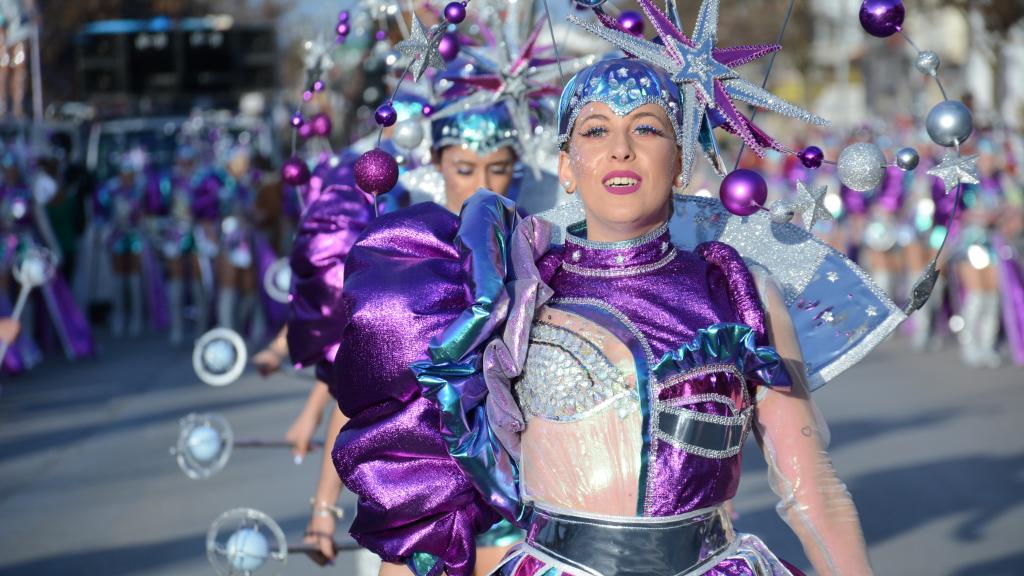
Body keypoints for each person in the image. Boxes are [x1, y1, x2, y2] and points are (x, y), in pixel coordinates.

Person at [330, 57, 877, 576]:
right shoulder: (513, 290)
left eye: (647, 129)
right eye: (595, 131)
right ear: (568, 167)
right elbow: (428, 496)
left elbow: (810, 488)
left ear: (681, 163)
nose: (621, 150)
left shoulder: (737, 290)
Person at [287, 96, 530, 572]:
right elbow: (364, 395)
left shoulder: (537, 256)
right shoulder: (401, 262)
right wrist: (323, 508)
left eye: (498, 168)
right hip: (418, 511)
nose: (481, 184)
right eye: (463, 167)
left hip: (513, 512)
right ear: (437, 162)